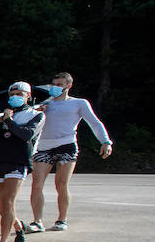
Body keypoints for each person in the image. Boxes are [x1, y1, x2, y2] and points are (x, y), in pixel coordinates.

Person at [27, 71, 114, 233]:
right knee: (36, 185)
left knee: (61, 184)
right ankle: (37, 221)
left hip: (67, 145)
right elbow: (26, 119)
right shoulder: (43, 103)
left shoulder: (79, 103)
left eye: (60, 84)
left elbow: (94, 122)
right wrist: (38, 110)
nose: (56, 87)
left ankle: (62, 220)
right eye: (54, 84)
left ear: (69, 85)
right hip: (43, 147)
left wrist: (105, 141)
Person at [0, 82, 44, 242]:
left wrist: (8, 121)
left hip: (18, 162)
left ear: (28, 96)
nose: (15, 97)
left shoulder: (36, 115)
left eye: (20, 94)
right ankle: (18, 226)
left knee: (9, 202)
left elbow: (26, 135)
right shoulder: (3, 114)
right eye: (12, 94)